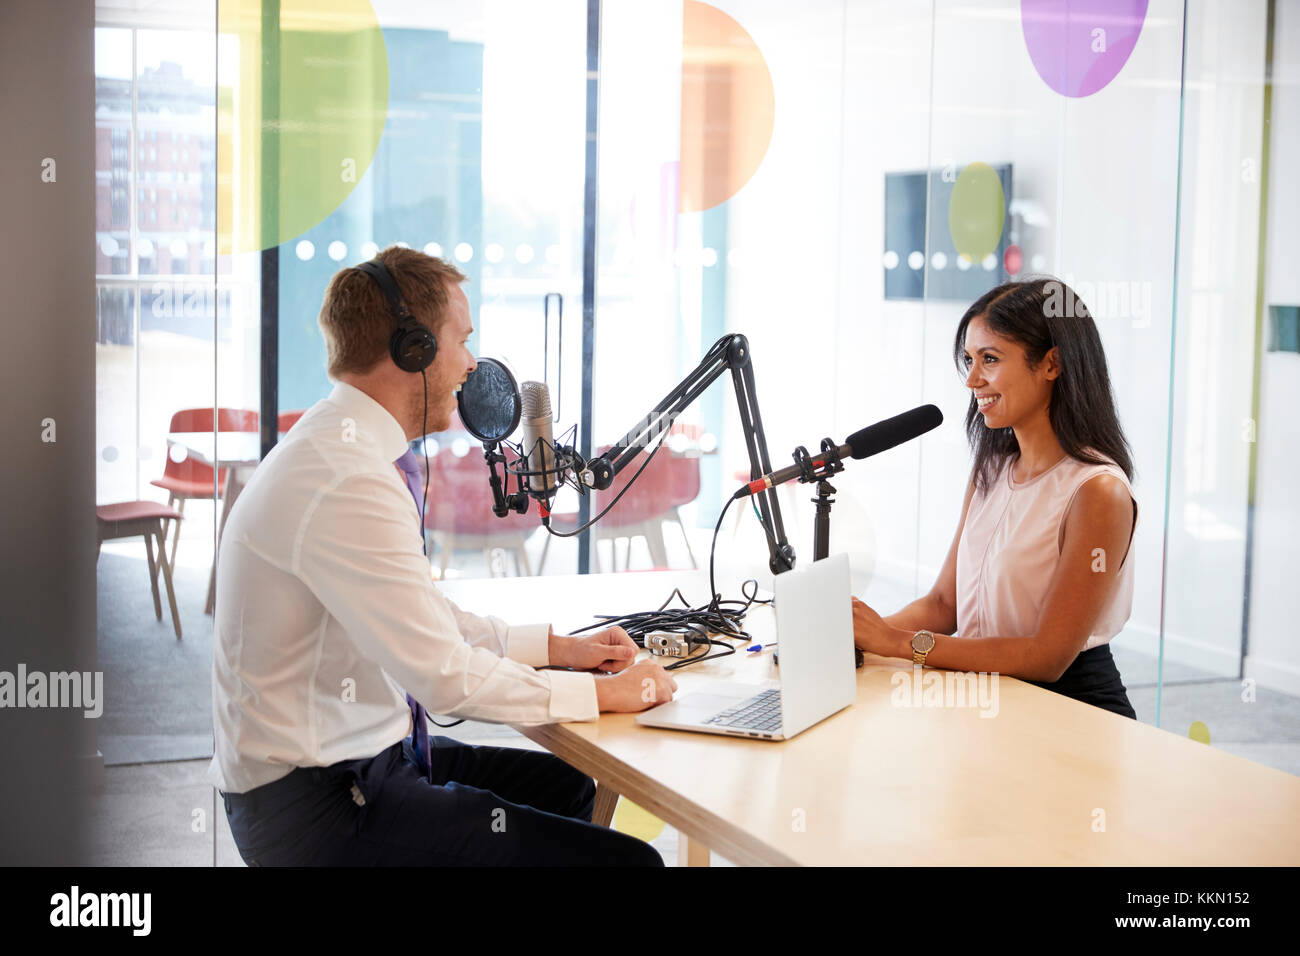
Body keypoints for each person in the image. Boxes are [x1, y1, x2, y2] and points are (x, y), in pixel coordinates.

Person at [210, 246, 677, 865]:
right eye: (462, 339)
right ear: (415, 350)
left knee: (567, 787)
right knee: (630, 863)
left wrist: (556, 651)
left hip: (358, 764)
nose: (472, 363)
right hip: (317, 807)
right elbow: (440, 675)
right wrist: (600, 696)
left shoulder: (341, 449)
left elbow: (422, 614)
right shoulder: (344, 478)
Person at [851, 277, 1139, 719]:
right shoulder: (991, 470)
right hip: (988, 697)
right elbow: (943, 606)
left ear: (1051, 364)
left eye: (989, 359)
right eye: (969, 359)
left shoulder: (1098, 492)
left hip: (1072, 710)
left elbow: (1047, 657)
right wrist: (851, 639)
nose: (971, 379)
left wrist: (894, 643)